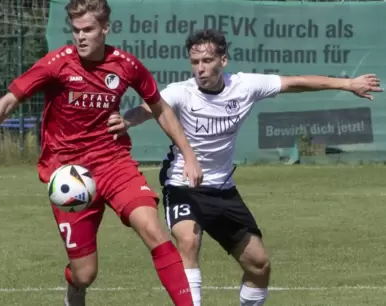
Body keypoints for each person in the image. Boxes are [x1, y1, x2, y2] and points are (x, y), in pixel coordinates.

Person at [0, 0, 203, 306]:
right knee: (85, 274)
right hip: (69, 174)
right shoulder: (57, 64)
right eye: (76, 30)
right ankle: (74, 289)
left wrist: (189, 154)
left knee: (155, 232)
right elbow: (10, 100)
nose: (80, 37)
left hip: (114, 162)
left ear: (105, 28)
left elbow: (160, 108)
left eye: (88, 30)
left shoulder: (126, 65)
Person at [107, 28, 383, 306]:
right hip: (183, 186)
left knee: (259, 265)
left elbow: (296, 82)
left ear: (223, 61)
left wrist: (347, 85)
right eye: (195, 62)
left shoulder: (245, 86)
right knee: (188, 242)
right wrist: (128, 121)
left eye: (207, 61)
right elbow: (149, 108)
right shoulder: (181, 92)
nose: (200, 69)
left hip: (223, 190)